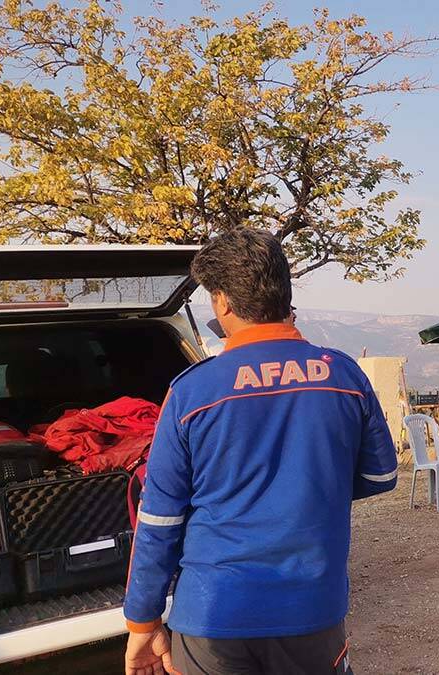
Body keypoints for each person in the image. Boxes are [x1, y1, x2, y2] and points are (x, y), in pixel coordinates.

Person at [123, 229, 398, 675]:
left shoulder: (193, 391)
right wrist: (311, 488)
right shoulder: (343, 375)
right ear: (283, 294)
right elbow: (381, 476)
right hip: (312, 608)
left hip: (213, 615)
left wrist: (143, 620)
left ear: (223, 303)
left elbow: (160, 520)